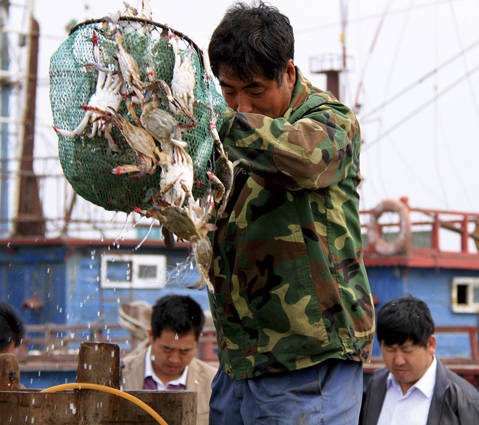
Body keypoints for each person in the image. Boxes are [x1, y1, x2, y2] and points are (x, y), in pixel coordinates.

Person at [206, 2, 375, 424]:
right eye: (228, 92)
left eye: (255, 90)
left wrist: (214, 123)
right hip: (239, 362)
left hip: (309, 363)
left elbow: (305, 157)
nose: (241, 105)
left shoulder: (331, 122)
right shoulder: (226, 133)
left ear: (289, 72)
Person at [359, 295, 479, 425]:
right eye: (390, 349)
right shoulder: (376, 385)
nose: (398, 361)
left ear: (431, 344)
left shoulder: (464, 400)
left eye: (407, 350)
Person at [121, 295, 217, 425]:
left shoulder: (213, 383)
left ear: (197, 341)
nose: (174, 360)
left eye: (185, 351)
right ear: (151, 336)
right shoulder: (120, 375)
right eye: (167, 349)